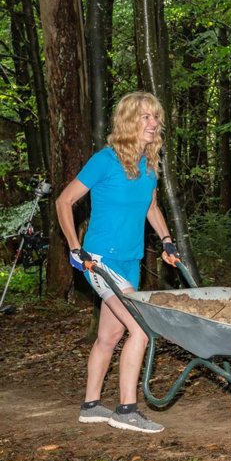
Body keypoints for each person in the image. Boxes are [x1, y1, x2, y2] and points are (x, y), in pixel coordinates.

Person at [56, 91, 181, 433]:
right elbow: (64, 201)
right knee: (141, 329)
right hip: (99, 260)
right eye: (145, 117)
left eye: (155, 117)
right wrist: (74, 246)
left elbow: (151, 209)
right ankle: (127, 409)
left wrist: (168, 241)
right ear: (128, 122)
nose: (153, 123)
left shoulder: (149, 165)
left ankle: (91, 405)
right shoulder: (105, 160)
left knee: (109, 337)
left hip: (130, 261)